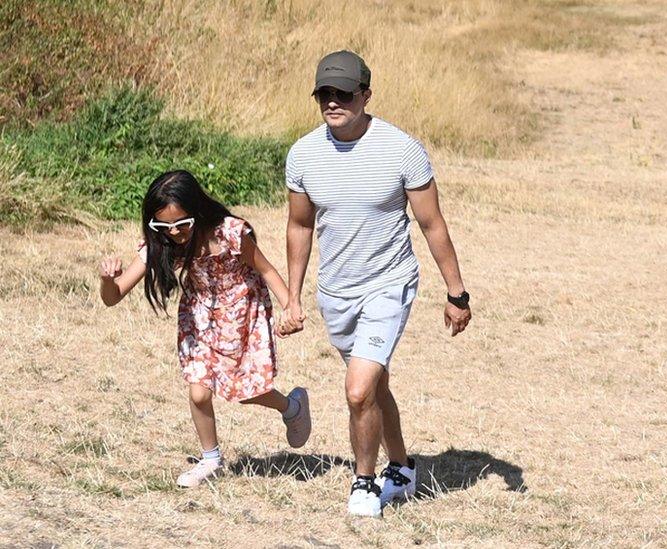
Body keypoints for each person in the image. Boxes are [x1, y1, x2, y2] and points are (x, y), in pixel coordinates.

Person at [279, 50, 472, 517]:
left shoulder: (401, 149)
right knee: (375, 386)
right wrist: (292, 296)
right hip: (335, 292)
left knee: (358, 389)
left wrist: (456, 293)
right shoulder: (304, 154)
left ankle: (364, 483)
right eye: (325, 93)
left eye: (343, 93)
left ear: (366, 94)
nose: (333, 102)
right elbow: (299, 227)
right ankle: (402, 467)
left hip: (389, 283)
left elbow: (432, 225)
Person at [98, 170, 312, 488]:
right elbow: (113, 297)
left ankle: (291, 407)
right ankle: (210, 458)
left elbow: (266, 270)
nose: (175, 233)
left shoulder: (229, 233)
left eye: (182, 224)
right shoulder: (161, 243)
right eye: (165, 226)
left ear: (197, 212)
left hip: (242, 315)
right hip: (201, 320)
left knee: (245, 392)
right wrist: (106, 280)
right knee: (199, 393)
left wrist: (289, 306)